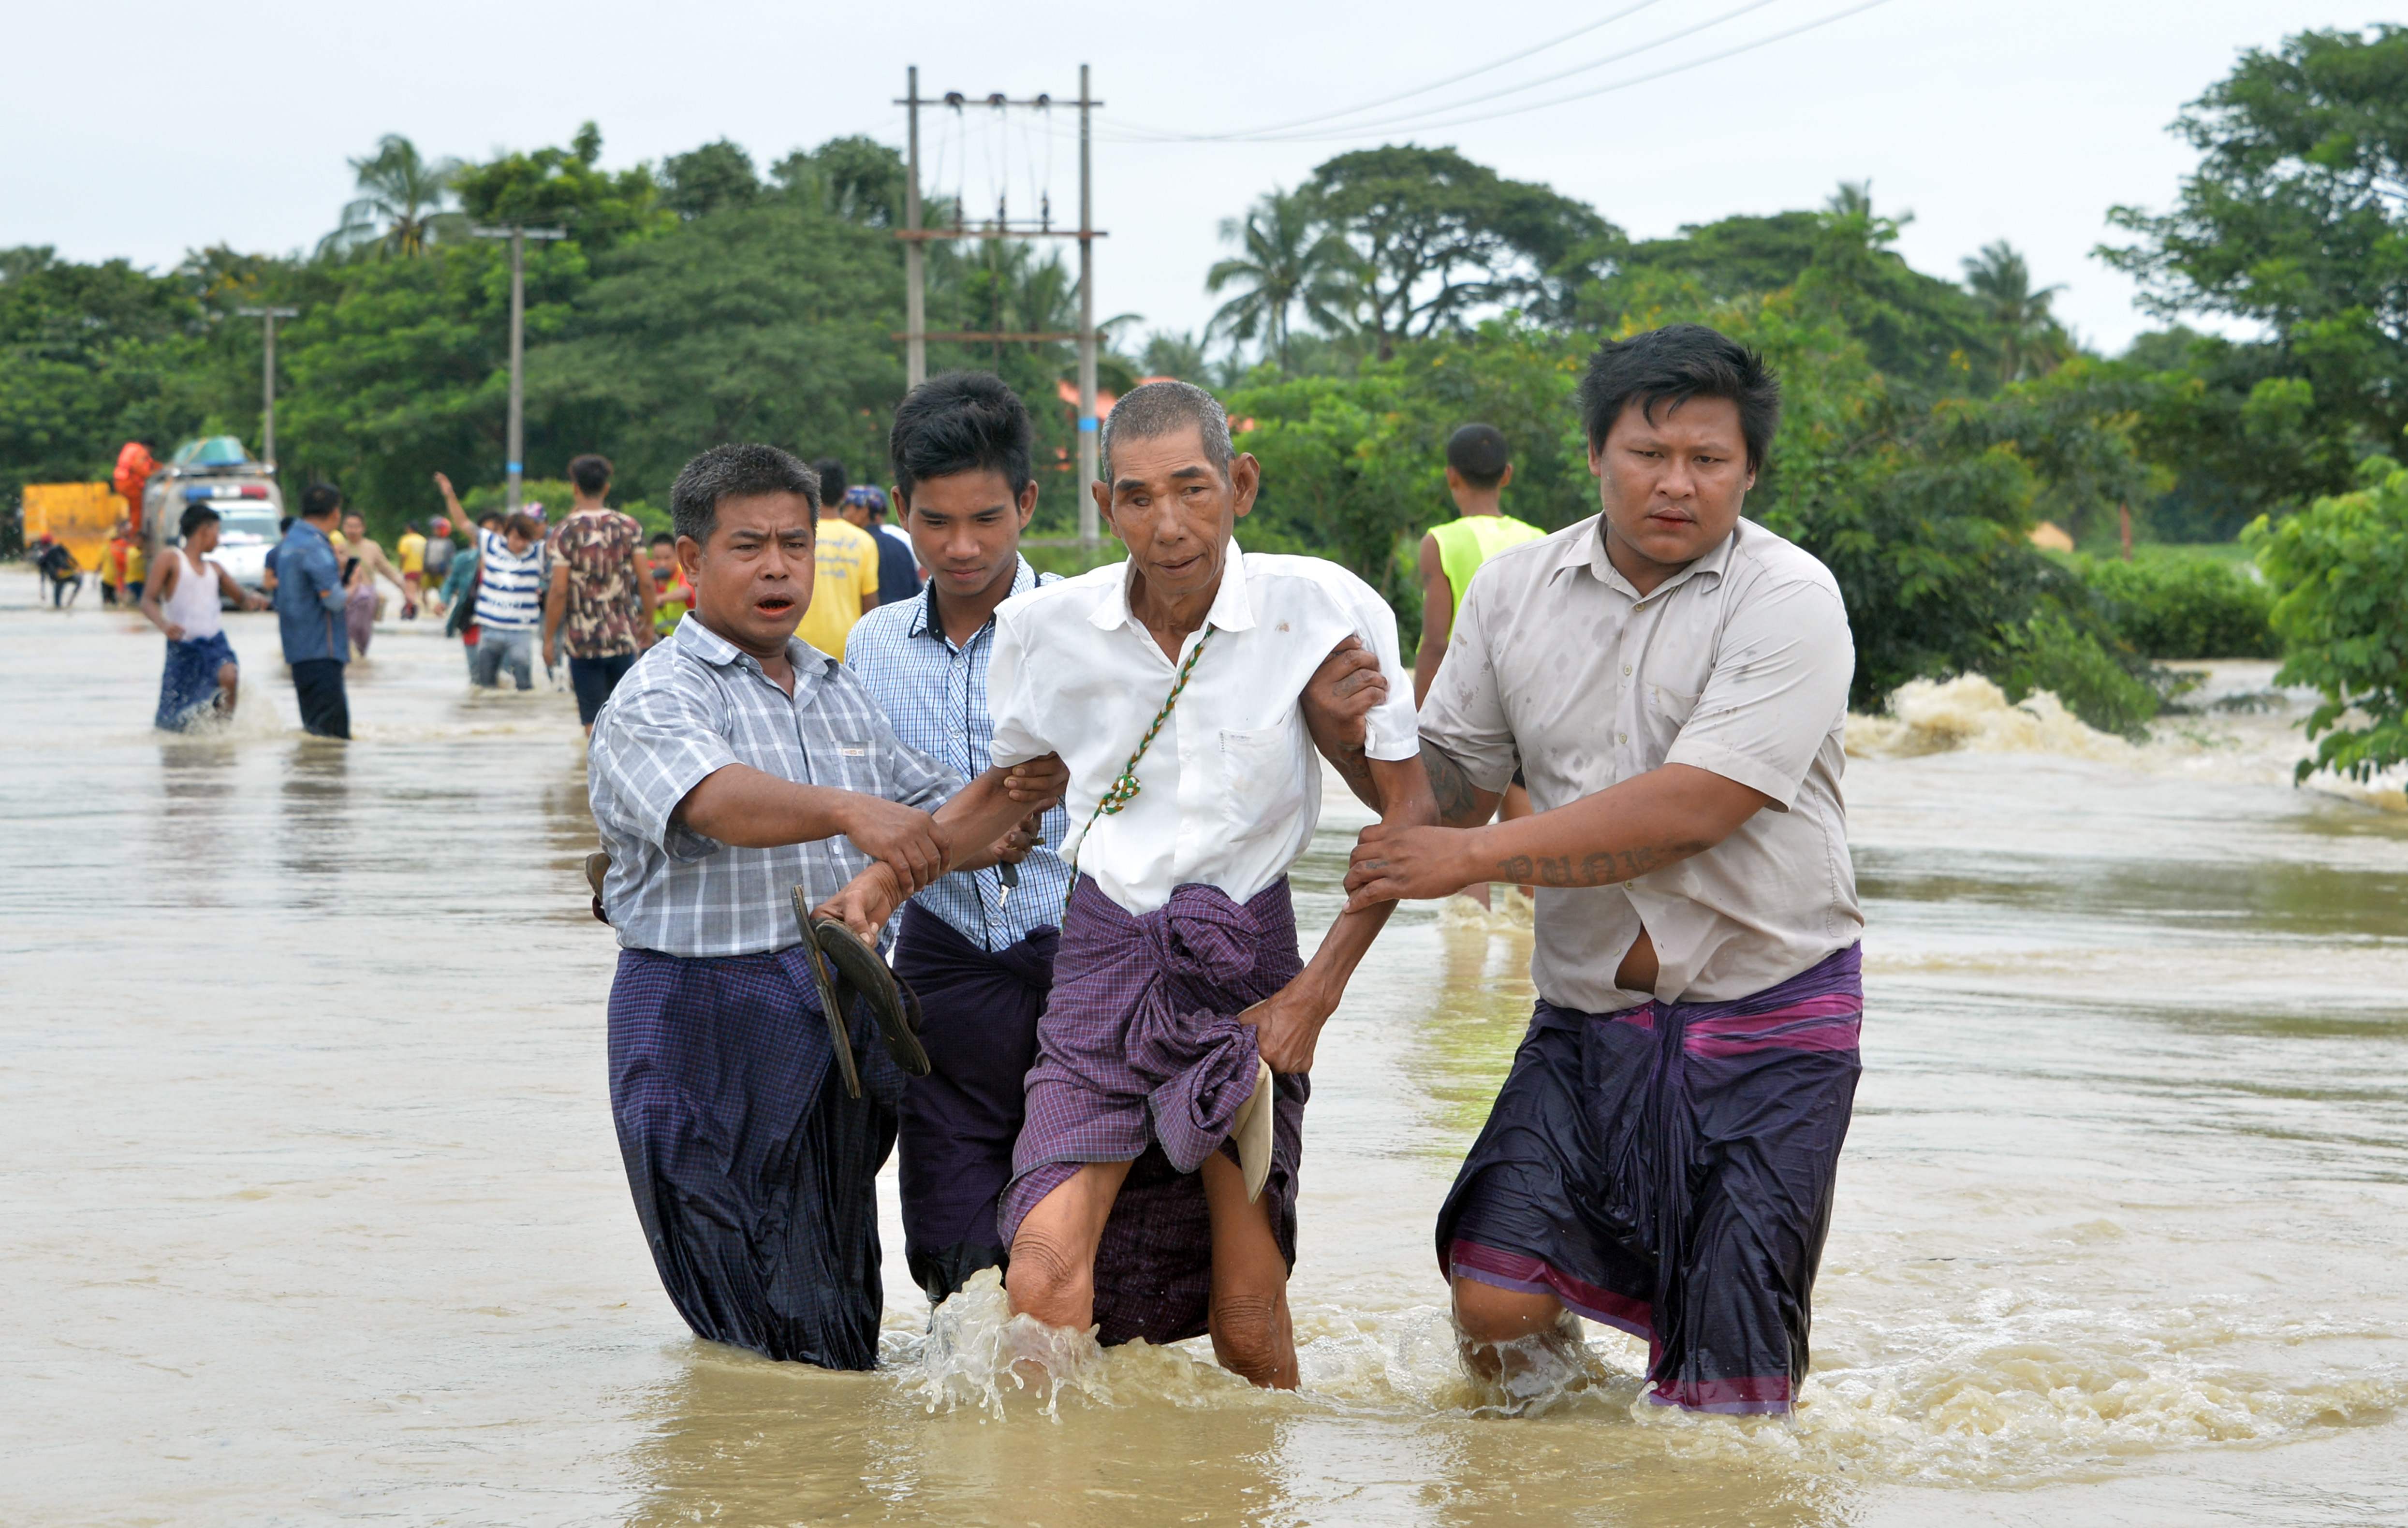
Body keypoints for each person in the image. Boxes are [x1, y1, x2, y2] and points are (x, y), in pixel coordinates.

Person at [1340, 324, 1863, 1417]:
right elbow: (1453, 788)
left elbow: (1696, 805)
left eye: (1708, 460)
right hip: (1584, 1018)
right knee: (1492, 1298)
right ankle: (1562, 1463)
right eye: (1647, 452)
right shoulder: (1513, 591)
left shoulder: (1788, 596)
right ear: (1594, 455)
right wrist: (1346, 727)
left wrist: (1470, 856)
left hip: (1764, 1018)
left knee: (1730, 1396)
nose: (1675, 483)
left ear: (1749, 471)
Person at [908, 380, 1436, 1388]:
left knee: (1244, 1316)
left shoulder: (1318, 607)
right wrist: (883, 882)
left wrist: (1310, 999)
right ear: (1106, 507)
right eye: (1140, 498)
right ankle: (1051, 1495)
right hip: (1103, 956)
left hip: (1249, 964)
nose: (1169, 523)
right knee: (1043, 1274)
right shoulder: (1047, 630)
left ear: (1238, 484)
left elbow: (1408, 821)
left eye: (1193, 490)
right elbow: (1016, 794)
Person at [585, 441, 1069, 1369]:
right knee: (737, 1315)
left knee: (833, 1303)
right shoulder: (657, 692)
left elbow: (941, 818)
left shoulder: (836, 687)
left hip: (833, 1021)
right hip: (699, 1021)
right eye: (748, 546)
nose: (777, 568)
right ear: (690, 561)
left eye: (795, 545)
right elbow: (713, 801)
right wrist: (857, 812)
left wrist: (1026, 783)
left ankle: (832, 1484)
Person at [840, 371, 1073, 1306]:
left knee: (1074, 1228)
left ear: (1026, 502)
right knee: (947, 1234)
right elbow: (860, 808)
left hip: (1083, 955)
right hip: (939, 963)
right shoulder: (873, 646)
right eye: (935, 522)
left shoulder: (1091, 626)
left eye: (986, 518)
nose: (962, 546)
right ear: (902, 512)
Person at [1415, 423, 1548, 906]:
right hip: (1527, 701)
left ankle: (1466, 965)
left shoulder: (1441, 541)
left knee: (1466, 839)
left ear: (1452, 477)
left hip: (1467, 705)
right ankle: (1523, 956)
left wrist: (1420, 717)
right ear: (1507, 475)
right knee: (1527, 840)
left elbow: (1435, 641)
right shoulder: (1538, 539)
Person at [543, 453, 658, 733]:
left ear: (575, 487)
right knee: (625, 718)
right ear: (607, 487)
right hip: (622, 638)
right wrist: (649, 623)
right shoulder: (629, 527)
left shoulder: (565, 531)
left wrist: (548, 639)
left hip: (582, 642)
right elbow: (646, 582)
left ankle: (593, 775)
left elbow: (558, 591)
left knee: (592, 722)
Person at [140, 503, 266, 729]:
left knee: (230, 675)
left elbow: (242, 599)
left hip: (215, 644)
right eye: (217, 532)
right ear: (204, 531)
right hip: (184, 648)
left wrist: (256, 600)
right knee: (177, 719)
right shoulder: (170, 559)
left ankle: (223, 731)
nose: (218, 539)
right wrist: (164, 625)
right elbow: (147, 600)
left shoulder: (215, 569)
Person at [272, 484, 353, 739]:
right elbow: (335, 601)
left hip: (298, 651)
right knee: (333, 739)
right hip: (322, 651)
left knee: (315, 733)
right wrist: (355, 589)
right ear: (334, 513)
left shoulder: (289, 543)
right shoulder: (315, 546)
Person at [794, 456, 879, 658]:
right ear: (844, 495)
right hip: (848, 650)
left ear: (810, 491)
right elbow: (871, 608)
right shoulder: (864, 541)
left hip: (796, 648)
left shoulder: (796, 537)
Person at [469, 510, 547, 690]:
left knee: (524, 682)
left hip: (521, 630)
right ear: (507, 533)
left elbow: (560, 539)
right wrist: (449, 495)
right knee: (485, 684)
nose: (520, 544)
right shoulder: (491, 545)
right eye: (516, 538)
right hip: (490, 627)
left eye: (525, 539)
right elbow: (464, 524)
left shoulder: (537, 552)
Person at [338, 511, 412, 654]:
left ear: (363, 528)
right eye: (349, 526)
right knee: (345, 636)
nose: (352, 530)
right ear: (343, 527)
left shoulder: (372, 547)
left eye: (356, 526)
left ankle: (361, 662)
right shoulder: (339, 549)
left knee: (363, 637)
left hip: (367, 599)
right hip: (346, 598)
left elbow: (387, 570)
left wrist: (405, 589)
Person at [842, 484, 922, 607]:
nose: (844, 515)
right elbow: (916, 590)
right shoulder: (900, 545)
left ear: (863, 512)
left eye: (848, 508)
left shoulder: (854, 546)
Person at [646, 532, 690, 636]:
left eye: (667, 558)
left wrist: (659, 599)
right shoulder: (650, 574)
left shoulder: (685, 572)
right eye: (658, 558)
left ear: (677, 555)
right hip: (659, 640)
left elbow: (685, 592)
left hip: (685, 641)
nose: (662, 563)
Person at [36, 535, 83, 607]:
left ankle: (70, 602)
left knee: (57, 605)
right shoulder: (59, 549)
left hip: (59, 579)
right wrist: (78, 566)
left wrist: (43, 591)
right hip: (65, 576)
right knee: (80, 581)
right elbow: (70, 557)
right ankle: (70, 602)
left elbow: (42, 576)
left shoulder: (44, 557)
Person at [422, 516, 456, 613]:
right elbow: (425, 556)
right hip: (429, 570)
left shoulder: (449, 544)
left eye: (437, 529)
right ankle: (426, 609)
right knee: (424, 590)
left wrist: (450, 573)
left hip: (442, 572)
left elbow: (451, 560)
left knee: (442, 591)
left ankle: (442, 608)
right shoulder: (430, 541)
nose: (434, 531)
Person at [397, 521, 428, 617]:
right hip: (422, 570)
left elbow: (403, 555)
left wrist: (401, 567)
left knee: (409, 592)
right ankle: (426, 608)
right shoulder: (424, 541)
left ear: (409, 529)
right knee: (419, 591)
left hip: (410, 569)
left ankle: (411, 610)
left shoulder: (405, 540)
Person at [102, 523, 129, 606]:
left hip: (115, 575)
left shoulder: (114, 545)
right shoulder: (120, 544)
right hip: (116, 575)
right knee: (119, 594)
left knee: (118, 594)